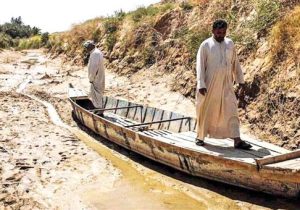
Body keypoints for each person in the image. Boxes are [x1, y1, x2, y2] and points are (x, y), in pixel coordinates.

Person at [195, 19, 252, 150]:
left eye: (224, 32)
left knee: (232, 109)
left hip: (227, 83)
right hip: (209, 84)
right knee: (206, 110)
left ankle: (237, 140)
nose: (221, 35)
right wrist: (201, 84)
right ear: (213, 31)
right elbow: (200, 66)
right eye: (219, 32)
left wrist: (240, 81)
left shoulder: (230, 44)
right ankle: (200, 136)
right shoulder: (206, 45)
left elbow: (235, 63)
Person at [83, 40, 105, 114]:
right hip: (98, 76)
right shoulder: (96, 52)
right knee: (97, 93)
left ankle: (99, 111)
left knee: (96, 93)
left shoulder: (95, 53)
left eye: (87, 47)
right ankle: (99, 109)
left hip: (96, 77)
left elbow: (94, 68)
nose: (86, 48)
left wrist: (91, 78)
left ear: (91, 46)